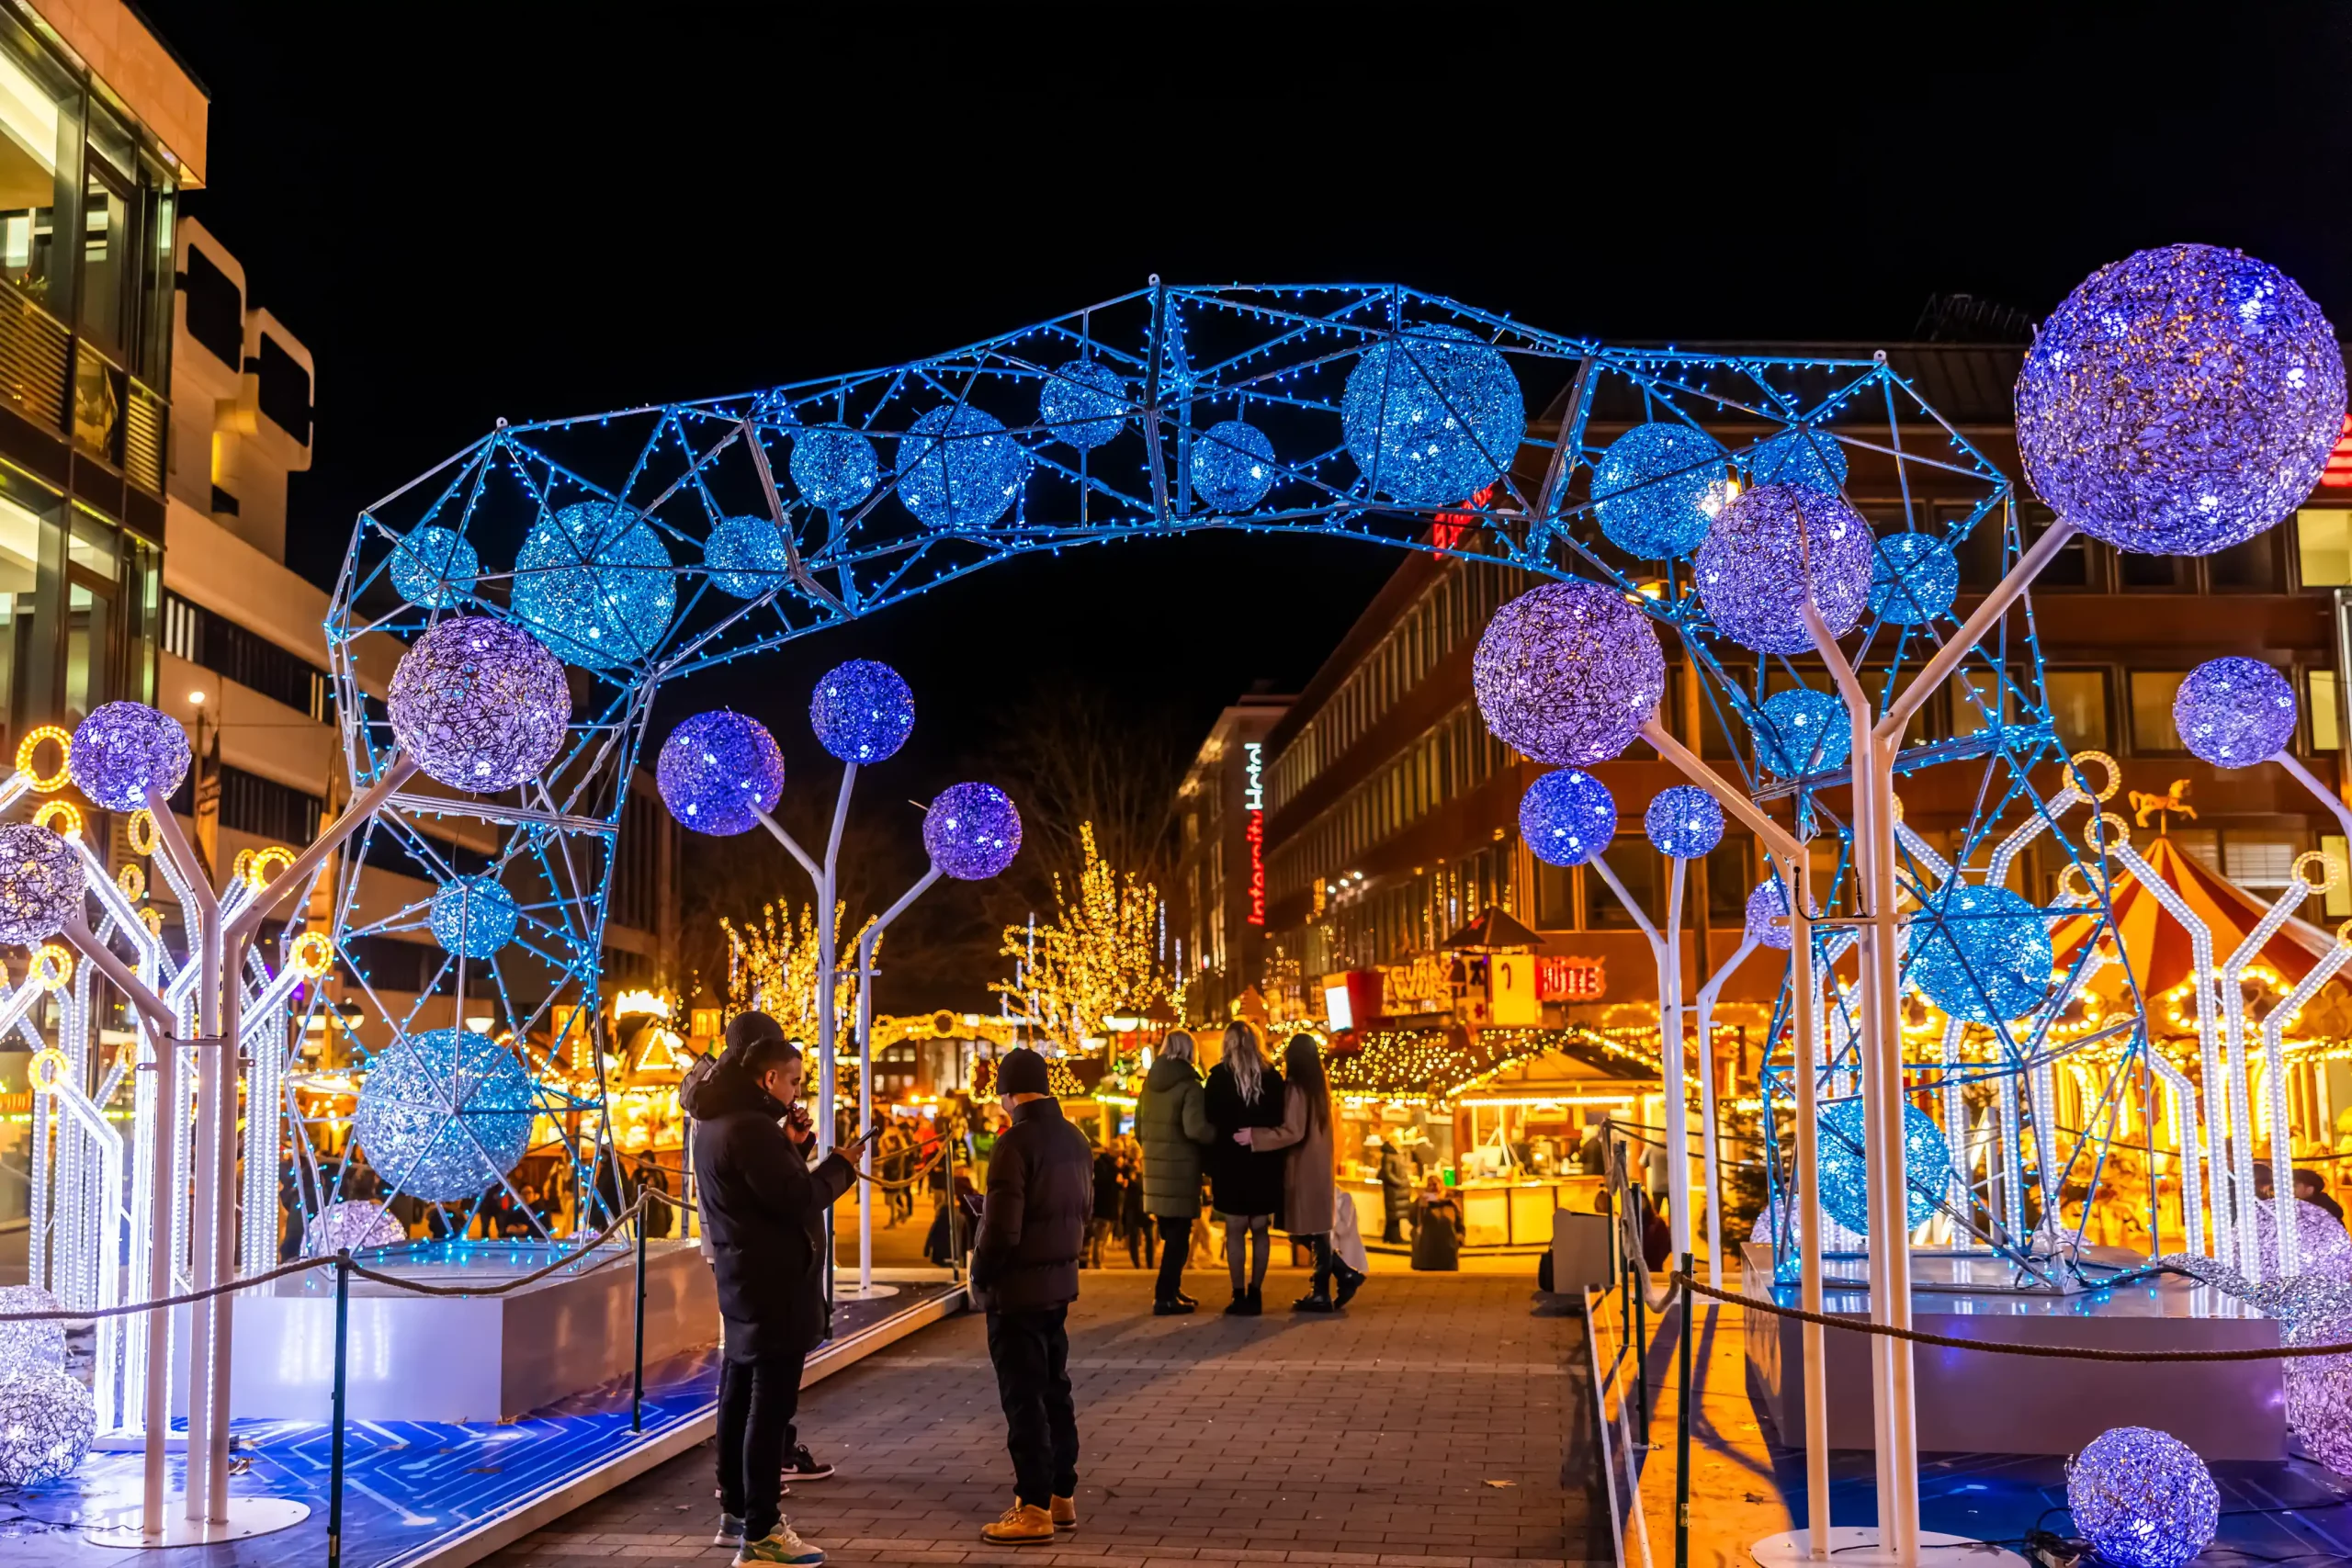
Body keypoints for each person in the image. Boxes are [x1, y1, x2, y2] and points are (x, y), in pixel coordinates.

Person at [685, 1014, 864, 1566]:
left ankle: (737, 1510)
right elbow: (794, 1200)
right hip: (775, 1285)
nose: (797, 1091)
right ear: (767, 1079)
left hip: (744, 1280)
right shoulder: (748, 1128)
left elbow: (765, 1188)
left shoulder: (720, 1121)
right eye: (793, 1081)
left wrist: (794, 1143)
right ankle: (761, 1532)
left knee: (738, 1394)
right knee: (768, 1406)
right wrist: (839, 1166)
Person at [970, 1046, 1093, 1545]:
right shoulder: (1075, 1139)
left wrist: (981, 1273)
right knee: (1054, 1389)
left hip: (1017, 1289)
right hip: (1058, 1285)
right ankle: (1061, 1494)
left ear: (1008, 1093)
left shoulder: (1013, 1143)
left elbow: (1003, 1230)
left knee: (1023, 1398)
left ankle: (1034, 1505)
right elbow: (1082, 1210)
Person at [1237, 1033, 1365, 1312]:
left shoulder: (1296, 1088)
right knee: (1316, 1231)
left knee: (1302, 1231)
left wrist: (1256, 1137)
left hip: (1302, 1167)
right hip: (1318, 1167)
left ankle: (1330, 1285)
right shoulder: (1320, 1087)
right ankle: (1334, 1281)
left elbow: (1292, 1131)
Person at [1203, 1022, 1286, 1315]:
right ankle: (1256, 1292)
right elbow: (1280, 1117)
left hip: (1230, 1162)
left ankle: (1238, 1295)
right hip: (1264, 1162)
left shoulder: (1218, 1079)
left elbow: (1209, 1119)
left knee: (1235, 1230)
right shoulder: (1272, 1077)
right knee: (1260, 1229)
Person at [1137, 1030, 1215, 1314]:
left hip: (1155, 1174)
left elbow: (1138, 1129)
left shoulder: (1149, 1085)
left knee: (1171, 1235)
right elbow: (1195, 1128)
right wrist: (1216, 1135)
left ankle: (1172, 1289)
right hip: (1181, 1173)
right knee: (1180, 1239)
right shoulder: (1190, 1086)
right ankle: (1164, 1296)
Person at [1412, 1174, 1464, 1271]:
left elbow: (1459, 1225)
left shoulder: (1451, 1203)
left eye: (1435, 1184)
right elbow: (1413, 1220)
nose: (1433, 1187)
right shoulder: (1422, 1203)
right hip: (1426, 1257)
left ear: (1441, 1185)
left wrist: (1459, 1239)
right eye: (1430, 1185)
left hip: (1447, 1256)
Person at [1086, 1138, 1121, 1268]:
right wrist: (1116, 1176)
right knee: (1099, 1238)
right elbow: (1101, 1183)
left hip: (1108, 1206)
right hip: (1103, 1206)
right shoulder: (1103, 1165)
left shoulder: (1111, 1165)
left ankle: (1099, 1260)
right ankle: (1097, 1261)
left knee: (1102, 1237)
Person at [1375, 1134, 1415, 1246]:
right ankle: (1394, 1237)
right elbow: (1388, 1173)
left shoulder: (1394, 1155)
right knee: (1393, 1214)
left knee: (1394, 1215)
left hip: (1396, 1190)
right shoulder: (1389, 1156)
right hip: (1393, 1190)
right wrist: (1400, 1183)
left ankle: (1389, 1236)